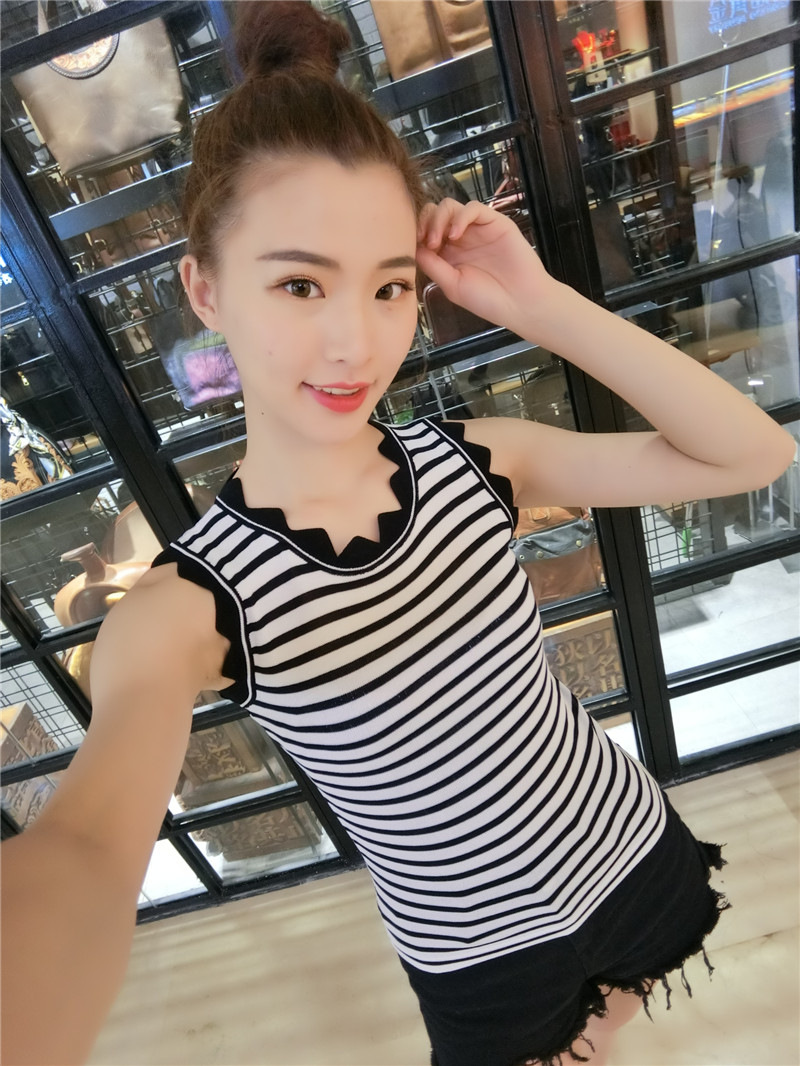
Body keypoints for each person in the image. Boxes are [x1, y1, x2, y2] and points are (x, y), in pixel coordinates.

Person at [1, 4, 795, 1066]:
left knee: (613, 1021)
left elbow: (750, 455)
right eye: (298, 283)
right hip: (474, 948)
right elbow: (88, 849)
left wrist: (540, 302)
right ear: (205, 289)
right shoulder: (187, 611)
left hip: (619, 837)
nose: (354, 340)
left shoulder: (481, 458)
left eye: (388, 286)